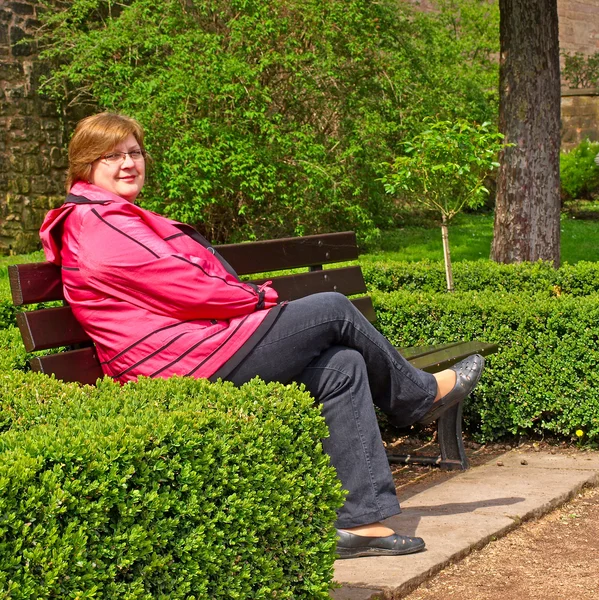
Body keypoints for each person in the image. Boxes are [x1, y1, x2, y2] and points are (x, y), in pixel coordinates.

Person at [40, 112, 485, 559]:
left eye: (134, 152)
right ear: (86, 166)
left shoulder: (105, 217)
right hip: (180, 362)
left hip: (192, 351)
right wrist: (258, 297)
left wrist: (250, 300)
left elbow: (177, 285)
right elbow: (185, 282)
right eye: (111, 156)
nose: (127, 163)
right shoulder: (99, 223)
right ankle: (417, 396)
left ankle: (361, 524)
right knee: (332, 308)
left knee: (342, 367)